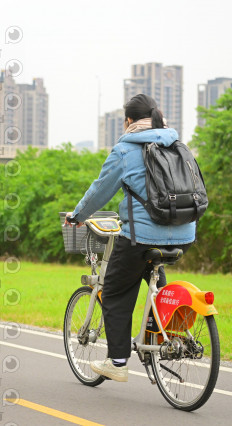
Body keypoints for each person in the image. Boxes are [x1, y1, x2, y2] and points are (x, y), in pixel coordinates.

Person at [66, 93, 195, 382]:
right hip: (185, 234)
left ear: (128, 121)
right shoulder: (177, 145)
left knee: (114, 291)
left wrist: (78, 215)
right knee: (156, 284)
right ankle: (157, 337)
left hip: (142, 237)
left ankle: (118, 361)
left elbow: (100, 190)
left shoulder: (125, 150)